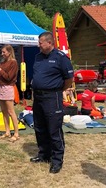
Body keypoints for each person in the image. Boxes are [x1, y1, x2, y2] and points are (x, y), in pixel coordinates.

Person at [31, 31, 74, 174]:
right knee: (39, 127)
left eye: (41, 42)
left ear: (49, 43)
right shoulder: (37, 57)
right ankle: (44, 154)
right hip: (38, 97)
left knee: (54, 130)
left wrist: (57, 90)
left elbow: (68, 79)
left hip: (52, 97)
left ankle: (57, 161)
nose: (39, 45)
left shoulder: (61, 58)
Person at [0, 44, 19, 142]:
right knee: (3, 111)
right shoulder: (2, 63)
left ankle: (16, 133)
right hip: (0, 87)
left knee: (11, 111)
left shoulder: (13, 63)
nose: (2, 54)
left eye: (4, 52)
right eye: (1, 52)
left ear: (9, 52)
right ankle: (7, 131)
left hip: (8, 87)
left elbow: (9, 77)